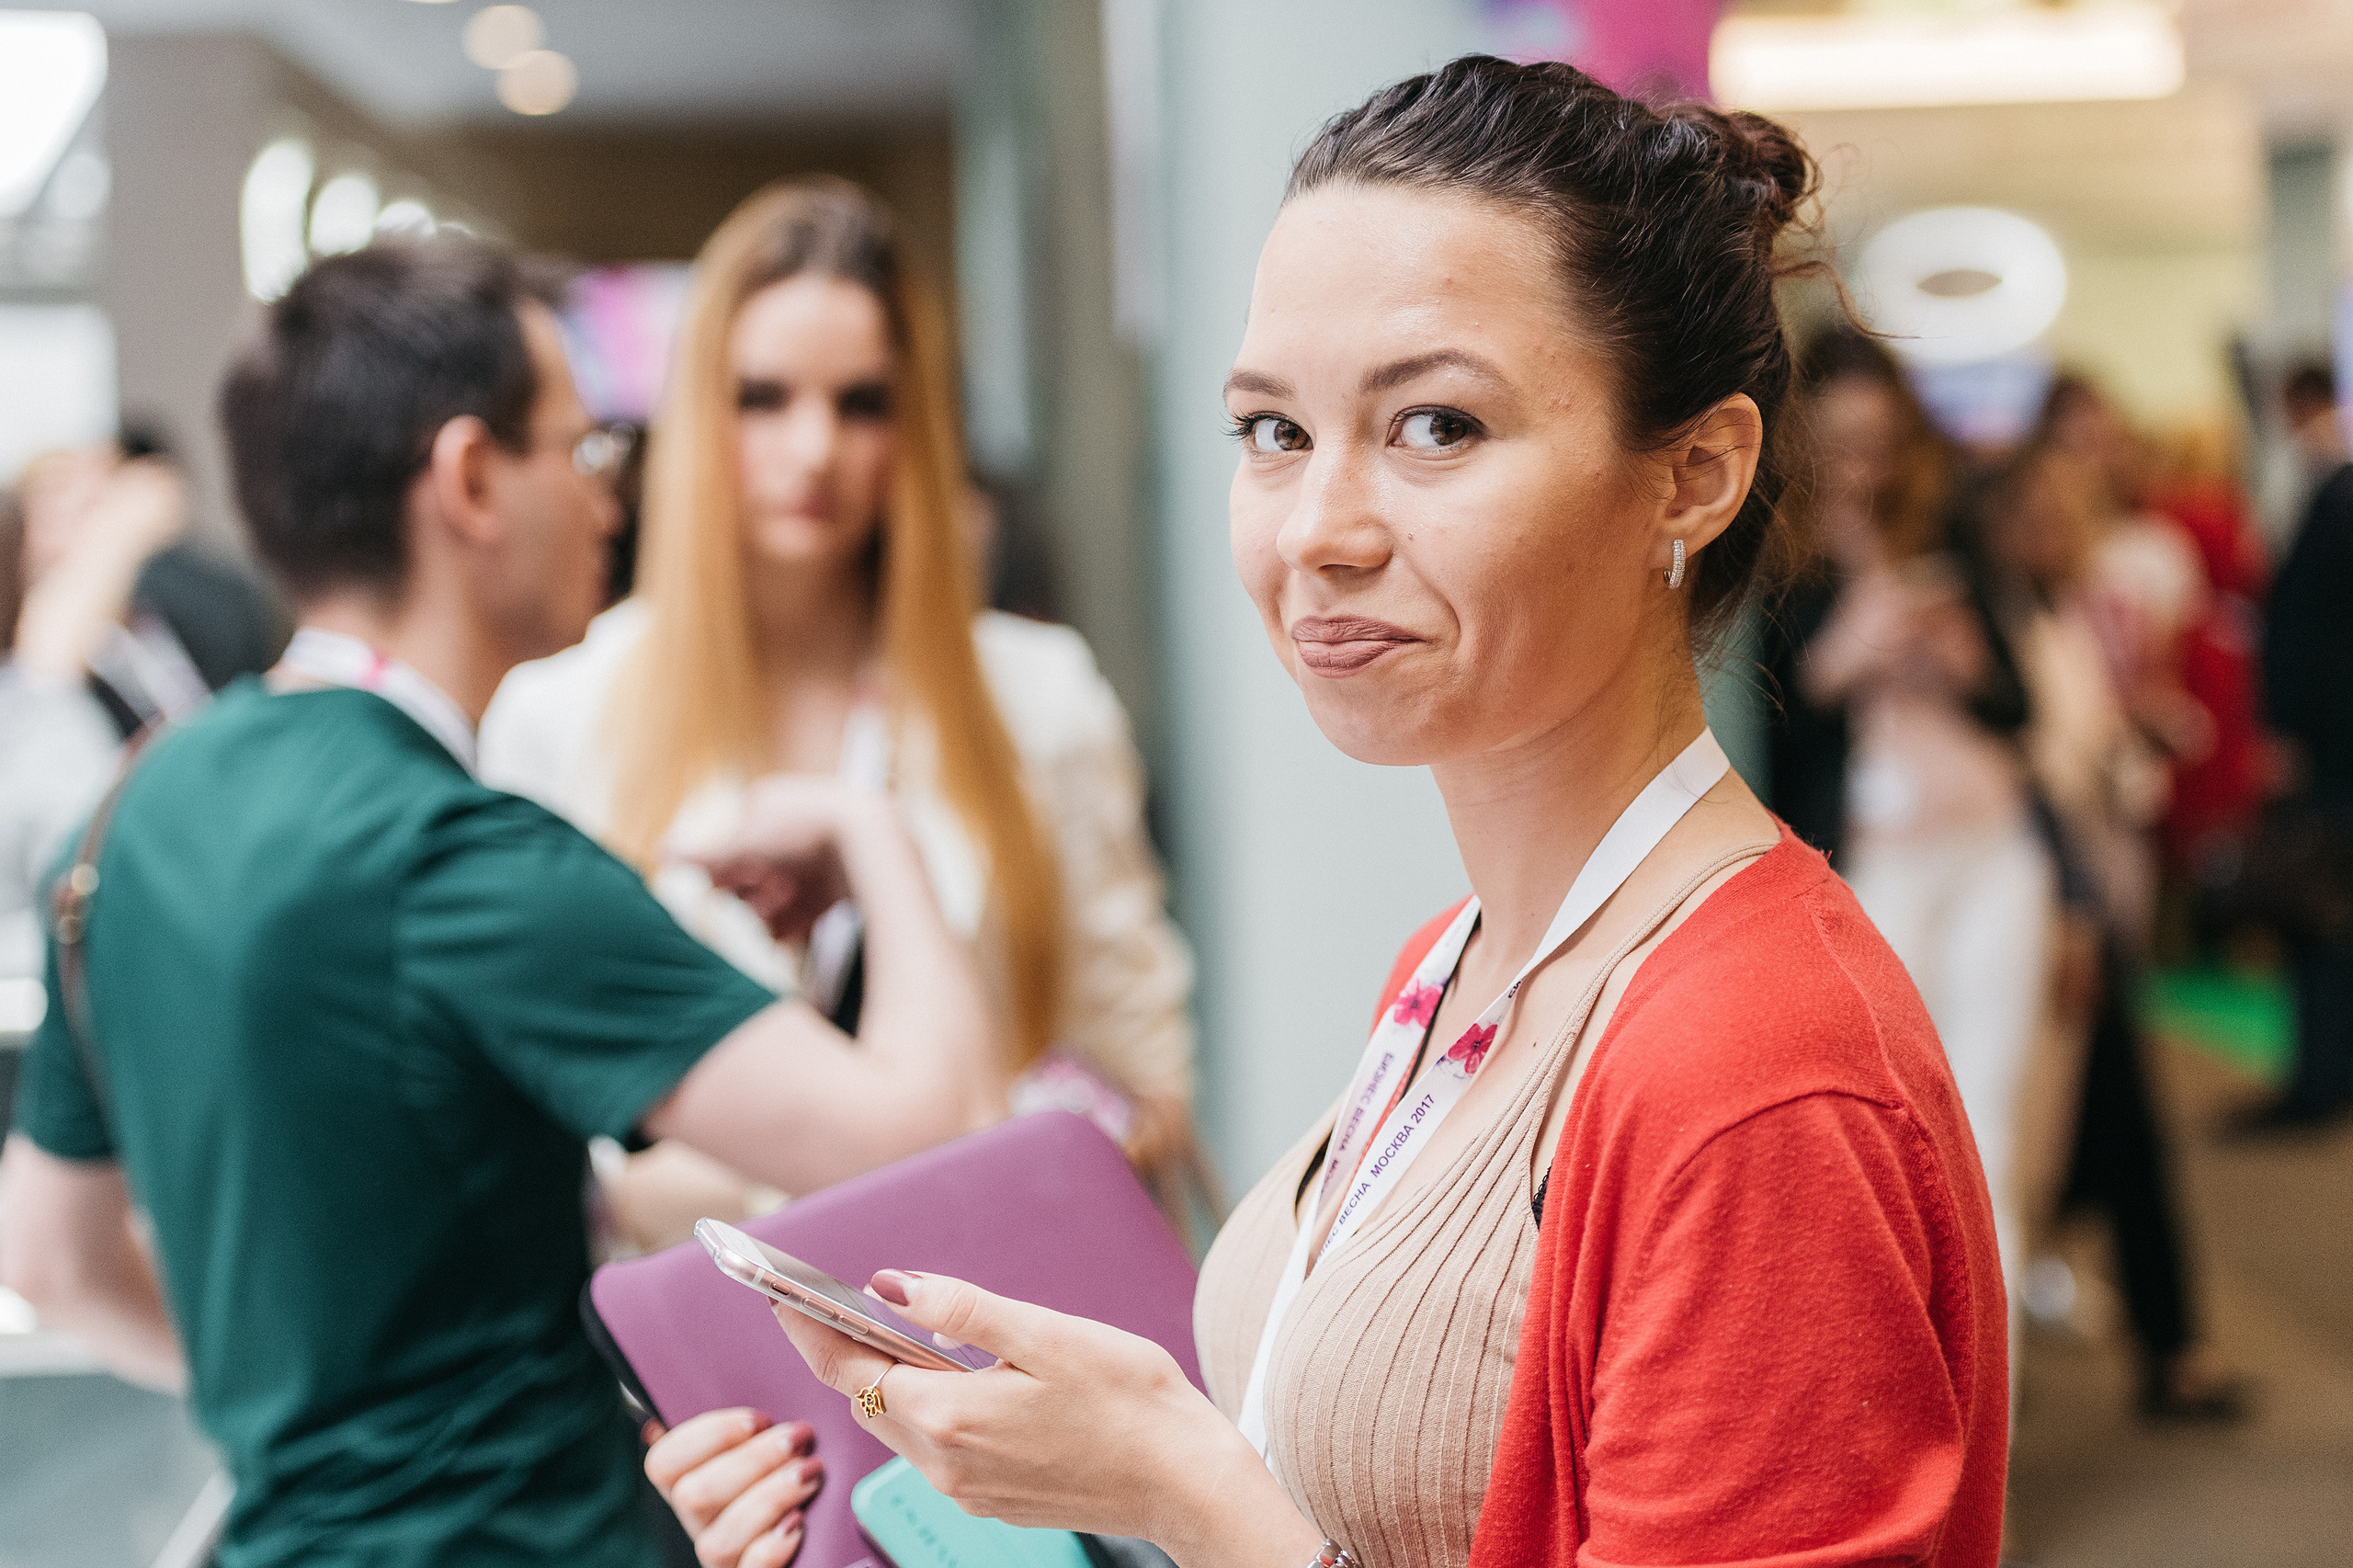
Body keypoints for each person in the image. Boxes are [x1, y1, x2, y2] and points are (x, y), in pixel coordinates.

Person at [651, 57, 2008, 1568]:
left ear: (1693, 473)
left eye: (1436, 427)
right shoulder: (1456, 965)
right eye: (1274, 433)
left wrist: (1188, 1494)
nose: (1319, 532)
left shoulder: (1756, 1072)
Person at [0, 236, 1005, 1568]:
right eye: (582, 454)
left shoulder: (122, 822)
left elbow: (51, 1252)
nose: (609, 505)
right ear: (472, 478)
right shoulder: (460, 858)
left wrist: (310, 1404)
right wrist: (870, 828)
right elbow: (926, 1136)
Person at [479, 178, 1199, 1246]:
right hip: (693, 1366)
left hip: (986, 1332)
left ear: (914, 429)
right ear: (693, 413)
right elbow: (520, 1106)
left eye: (862, 403)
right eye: (762, 396)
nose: (813, 448)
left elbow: (1141, 1066)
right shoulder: (561, 715)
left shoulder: (1038, 697)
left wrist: (1073, 1137)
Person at [1778, 331, 2050, 1362]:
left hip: (1990, 848)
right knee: (1883, 1149)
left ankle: (1993, 1450)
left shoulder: (1946, 533)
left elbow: (2018, 705)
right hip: (1871, 866)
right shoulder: (1772, 563)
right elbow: (1758, 730)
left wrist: (1966, 662)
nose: (1867, 466)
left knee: (1990, 1140)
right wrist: (1838, 656)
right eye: (1842, 443)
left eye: (1882, 441)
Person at [1964, 442, 2247, 1420]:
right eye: (2034, 511)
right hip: (2036, 911)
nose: (2056, 528)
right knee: (2040, 1139)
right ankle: (2150, 1345)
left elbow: (2077, 751)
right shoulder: (1986, 627)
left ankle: (2165, 1345)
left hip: (2081, 900)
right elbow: (2027, 784)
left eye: (2062, 510)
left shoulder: (2056, 615)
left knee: (2106, 1135)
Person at [2245, 374, 2353, 1130]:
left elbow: (2312, 634)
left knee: (2319, 908)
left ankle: (2320, 1080)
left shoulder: (2335, 495)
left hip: (2329, 747)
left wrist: (2288, 732)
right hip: (2331, 741)